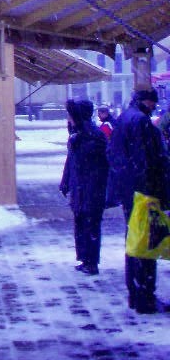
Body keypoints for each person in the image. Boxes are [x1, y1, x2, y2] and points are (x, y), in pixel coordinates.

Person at [106, 87, 168, 314]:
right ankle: (145, 298)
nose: (154, 107)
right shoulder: (141, 121)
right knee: (146, 243)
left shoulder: (124, 118)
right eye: (153, 103)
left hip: (130, 192)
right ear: (146, 102)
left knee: (134, 242)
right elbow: (147, 160)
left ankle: (135, 293)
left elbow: (113, 153)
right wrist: (152, 192)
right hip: (144, 192)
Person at [59, 98, 109, 275]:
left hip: (91, 189)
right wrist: (65, 181)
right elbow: (71, 161)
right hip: (80, 188)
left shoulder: (93, 136)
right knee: (80, 224)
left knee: (91, 225)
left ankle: (92, 262)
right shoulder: (78, 135)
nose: (68, 119)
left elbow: (101, 164)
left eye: (71, 115)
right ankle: (84, 258)